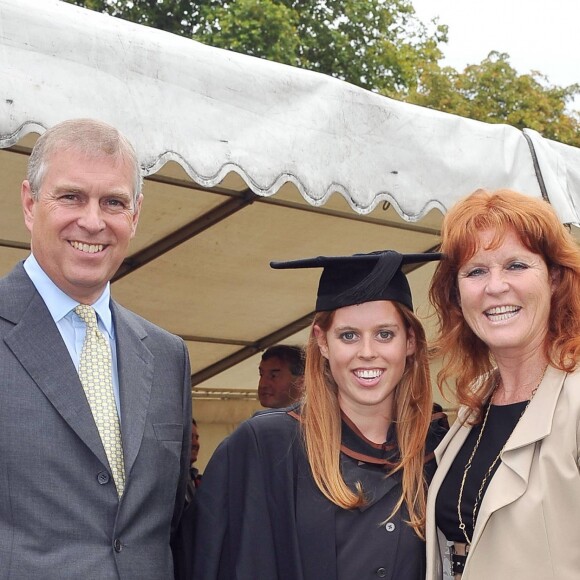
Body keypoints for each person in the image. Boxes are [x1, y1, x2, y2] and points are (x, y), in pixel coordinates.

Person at [0, 118, 192, 579]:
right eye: (71, 197)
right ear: (30, 203)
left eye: (113, 202)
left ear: (136, 214)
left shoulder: (168, 356)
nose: (93, 220)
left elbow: (173, 523)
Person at [193, 249, 446, 580]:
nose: (367, 352)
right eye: (348, 335)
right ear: (322, 341)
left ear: (410, 342)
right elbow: (206, 558)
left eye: (385, 334)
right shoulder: (265, 447)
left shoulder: (436, 453)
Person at [425, 188, 580, 580]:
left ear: (555, 278)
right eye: (476, 271)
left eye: (516, 265)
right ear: (458, 296)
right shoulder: (474, 403)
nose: (495, 287)